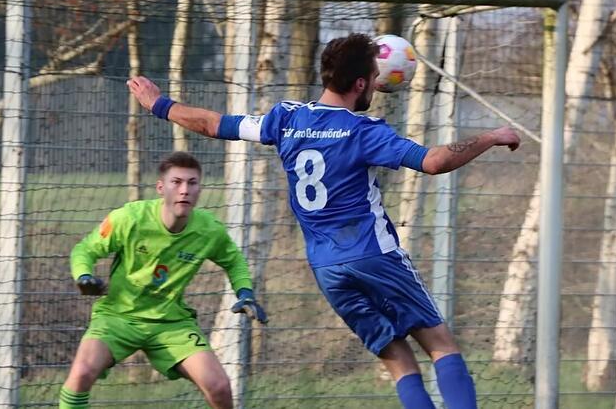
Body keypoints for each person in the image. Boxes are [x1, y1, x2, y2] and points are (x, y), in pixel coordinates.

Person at [127, 33, 520, 409]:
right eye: (375, 78)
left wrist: (159, 105)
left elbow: (214, 124)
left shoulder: (286, 119)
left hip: (327, 267)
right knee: (441, 345)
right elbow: (434, 161)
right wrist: (491, 136)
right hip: (374, 255)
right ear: (363, 82)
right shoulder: (364, 131)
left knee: (398, 360)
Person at [58, 152, 267, 409]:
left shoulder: (209, 230)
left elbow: (234, 261)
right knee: (81, 374)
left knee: (219, 387)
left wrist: (245, 292)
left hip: (171, 324)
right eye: (176, 182)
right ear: (160, 187)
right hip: (117, 318)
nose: (184, 190)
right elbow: (85, 250)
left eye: (192, 183)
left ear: (200, 189)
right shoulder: (130, 218)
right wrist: (84, 276)